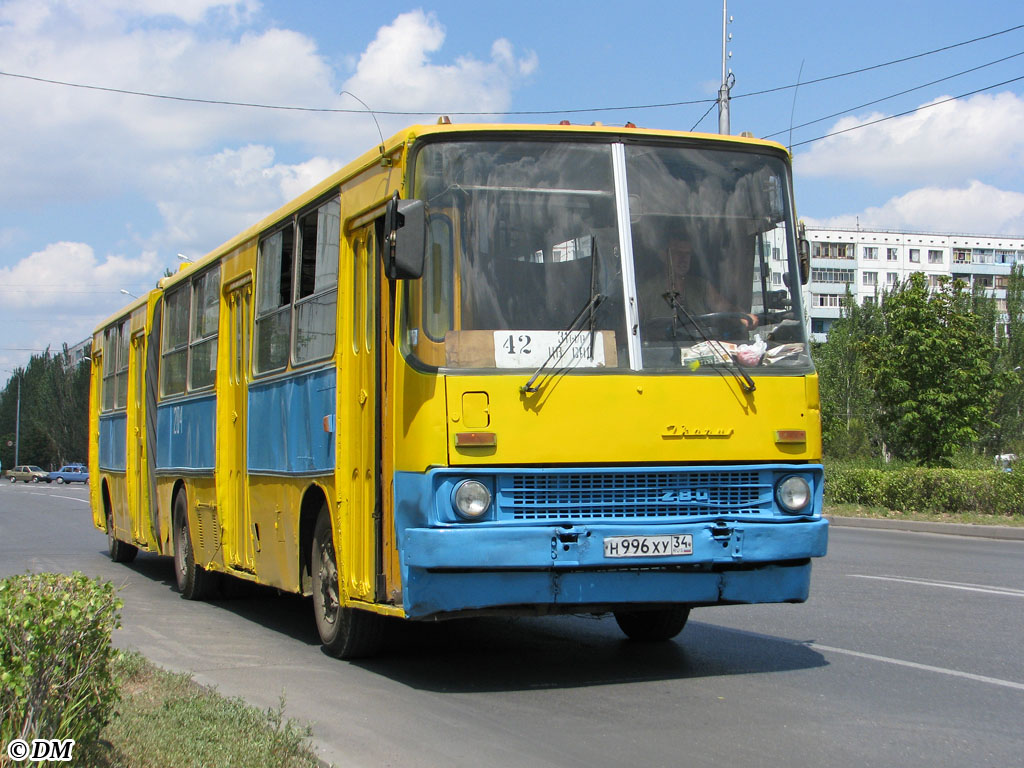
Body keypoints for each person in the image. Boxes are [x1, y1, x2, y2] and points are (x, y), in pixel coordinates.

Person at [639, 235, 758, 335]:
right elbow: (627, 334)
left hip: (700, 356)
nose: (683, 259)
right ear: (663, 255)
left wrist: (743, 316)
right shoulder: (644, 292)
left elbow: (723, 306)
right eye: (677, 253)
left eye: (687, 254)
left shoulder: (701, 286)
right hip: (660, 359)